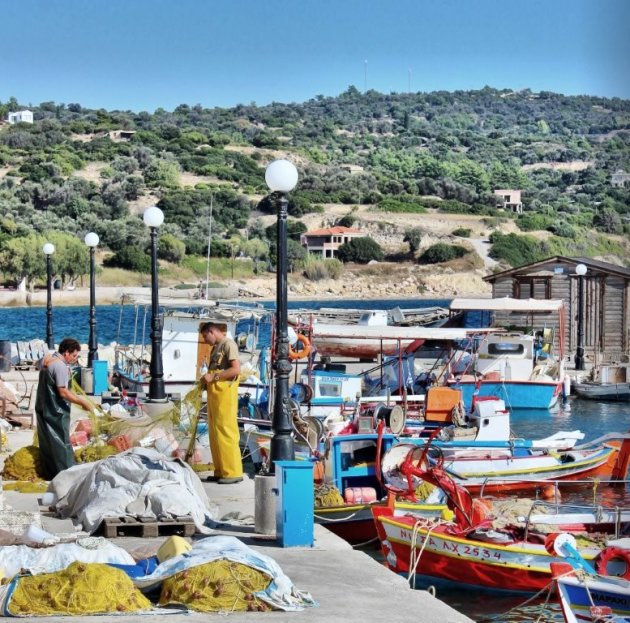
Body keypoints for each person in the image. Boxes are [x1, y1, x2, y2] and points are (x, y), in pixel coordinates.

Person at [35, 337, 93, 480]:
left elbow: (37, 365)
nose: (75, 359)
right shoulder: (60, 366)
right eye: (74, 355)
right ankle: (68, 474)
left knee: (47, 442)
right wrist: (82, 402)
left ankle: (51, 473)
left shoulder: (47, 359)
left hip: (42, 407)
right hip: (56, 411)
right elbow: (63, 392)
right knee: (62, 442)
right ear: (66, 352)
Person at [200, 322, 243, 484]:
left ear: (212, 331)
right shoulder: (216, 347)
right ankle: (221, 470)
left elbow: (235, 370)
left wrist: (214, 377)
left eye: (205, 336)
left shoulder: (228, 345)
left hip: (225, 395)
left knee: (226, 431)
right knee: (215, 433)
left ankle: (232, 472)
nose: (205, 340)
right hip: (215, 396)